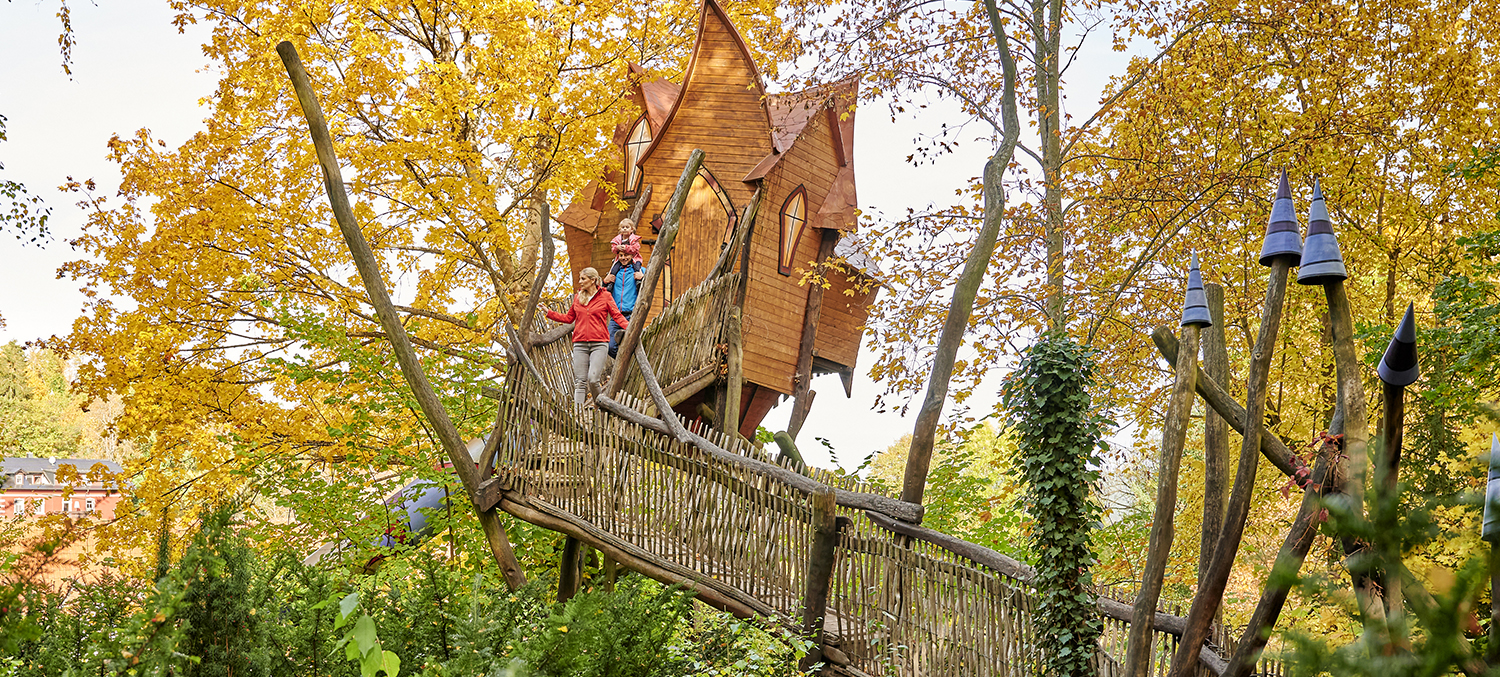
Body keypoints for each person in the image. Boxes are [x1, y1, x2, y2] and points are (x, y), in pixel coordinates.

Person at [544, 267, 629, 407]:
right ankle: (577, 415)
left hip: (599, 343)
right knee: (580, 381)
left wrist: (630, 328)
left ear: (593, 280)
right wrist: (549, 313)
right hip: (580, 344)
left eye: (583, 279)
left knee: (593, 379)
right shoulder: (578, 298)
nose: (580, 282)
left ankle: (599, 404)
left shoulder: (605, 296)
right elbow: (568, 318)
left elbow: (617, 316)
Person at [603, 243, 644, 357]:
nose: (624, 258)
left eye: (627, 255)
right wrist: (605, 282)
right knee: (609, 345)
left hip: (632, 314)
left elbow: (647, 290)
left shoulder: (640, 271)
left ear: (632, 255)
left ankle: (630, 369)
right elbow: (601, 293)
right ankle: (626, 367)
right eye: (621, 255)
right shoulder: (614, 273)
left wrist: (642, 278)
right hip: (616, 316)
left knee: (633, 344)